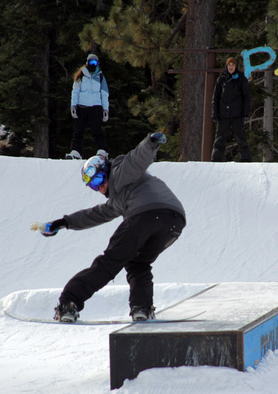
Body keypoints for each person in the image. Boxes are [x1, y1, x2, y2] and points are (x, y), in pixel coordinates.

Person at [40, 132, 186, 323]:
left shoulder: (120, 172)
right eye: (93, 186)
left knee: (109, 263)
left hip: (145, 215)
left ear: (106, 170)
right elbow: (95, 214)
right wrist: (63, 223)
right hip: (173, 222)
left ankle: (69, 301)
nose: (100, 189)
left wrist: (151, 142)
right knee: (138, 263)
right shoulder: (118, 199)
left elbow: (137, 159)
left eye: (99, 180)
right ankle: (141, 308)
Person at [68, 53, 110, 159]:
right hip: (82, 107)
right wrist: (73, 106)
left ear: (97, 64)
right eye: (91, 62)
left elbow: (104, 93)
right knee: (78, 130)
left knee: (97, 130)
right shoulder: (81, 75)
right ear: (87, 62)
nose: (93, 64)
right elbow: (75, 91)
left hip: (95, 107)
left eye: (95, 62)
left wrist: (105, 109)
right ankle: (75, 151)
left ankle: (102, 150)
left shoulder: (100, 76)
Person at [211, 57, 253, 162]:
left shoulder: (241, 79)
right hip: (223, 115)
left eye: (232, 65)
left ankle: (246, 159)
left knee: (240, 137)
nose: (231, 67)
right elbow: (215, 98)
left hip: (237, 115)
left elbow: (246, 97)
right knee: (219, 138)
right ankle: (216, 160)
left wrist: (245, 113)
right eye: (229, 65)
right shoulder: (221, 80)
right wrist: (215, 113)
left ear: (236, 67)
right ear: (226, 66)